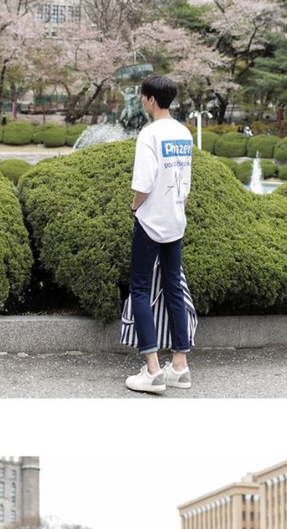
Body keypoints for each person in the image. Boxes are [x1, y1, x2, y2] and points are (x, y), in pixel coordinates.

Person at [125, 75, 193, 394]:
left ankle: (153, 371)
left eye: (143, 97)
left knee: (139, 289)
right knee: (173, 287)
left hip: (151, 222)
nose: (142, 101)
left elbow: (143, 184)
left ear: (151, 100)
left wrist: (134, 207)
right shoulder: (183, 133)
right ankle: (179, 366)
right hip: (176, 221)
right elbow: (185, 183)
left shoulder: (149, 134)